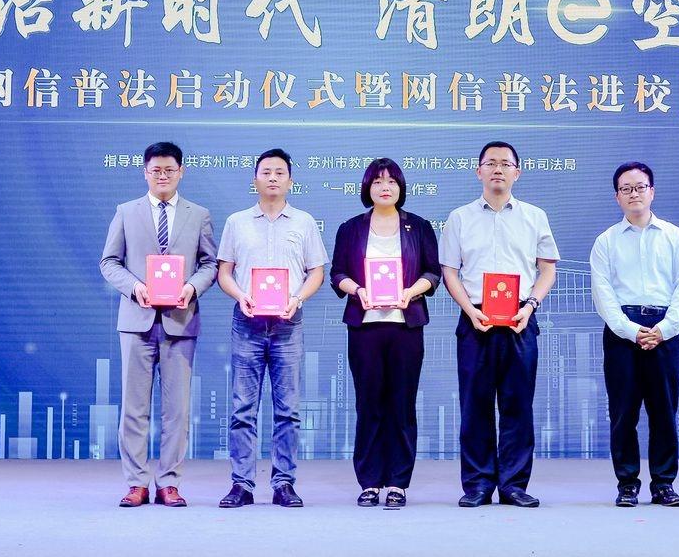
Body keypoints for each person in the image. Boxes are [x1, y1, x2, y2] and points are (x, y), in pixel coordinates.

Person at [440, 141, 559, 508]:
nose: (498, 169)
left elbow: (547, 269)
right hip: (475, 319)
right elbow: (449, 271)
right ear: (478, 171)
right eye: (490, 163)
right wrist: (469, 310)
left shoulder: (534, 216)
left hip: (520, 320)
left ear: (516, 173)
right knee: (474, 406)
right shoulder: (459, 218)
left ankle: (513, 485)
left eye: (505, 164)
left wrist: (531, 305)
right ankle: (477, 485)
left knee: (517, 406)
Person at [99, 141, 218, 507]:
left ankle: (169, 482)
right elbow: (109, 262)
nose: (162, 176)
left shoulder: (199, 215)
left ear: (181, 172)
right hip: (136, 321)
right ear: (145, 172)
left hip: (180, 321)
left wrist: (190, 288)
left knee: (176, 410)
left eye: (169, 170)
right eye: (156, 170)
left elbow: (210, 264)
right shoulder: (126, 212)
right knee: (134, 408)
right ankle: (136, 482)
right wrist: (135, 287)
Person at [216, 148, 328, 508]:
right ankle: (242, 484)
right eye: (266, 172)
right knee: (242, 409)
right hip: (247, 323)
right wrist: (241, 295)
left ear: (290, 180)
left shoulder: (304, 222)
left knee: (288, 410)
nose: (273, 178)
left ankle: (284, 483)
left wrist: (298, 298)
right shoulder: (236, 222)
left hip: (288, 324)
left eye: (280, 172)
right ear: (255, 179)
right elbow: (224, 273)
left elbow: (317, 272)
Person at [329, 158, 441, 508]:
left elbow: (432, 273)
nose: (385, 187)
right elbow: (337, 273)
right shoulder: (350, 228)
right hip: (365, 327)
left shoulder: (418, 227)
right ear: (368, 188)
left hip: (406, 325)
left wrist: (411, 292)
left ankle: (397, 482)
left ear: (401, 187)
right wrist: (358, 290)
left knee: (402, 404)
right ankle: (369, 481)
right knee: (369, 403)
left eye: (392, 181)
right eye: (377, 181)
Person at [590, 161, 679, 508]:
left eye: (639, 187)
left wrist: (664, 329)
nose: (633, 193)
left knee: (664, 411)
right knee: (623, 413)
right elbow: (604, 297)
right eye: (626, 189)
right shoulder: (606, 242)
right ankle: (627, 484)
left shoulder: (675, 237)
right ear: (617, 197)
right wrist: (632, 331)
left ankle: (664, 484)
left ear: (652, 191)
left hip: (665, 330)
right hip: (622, 332)